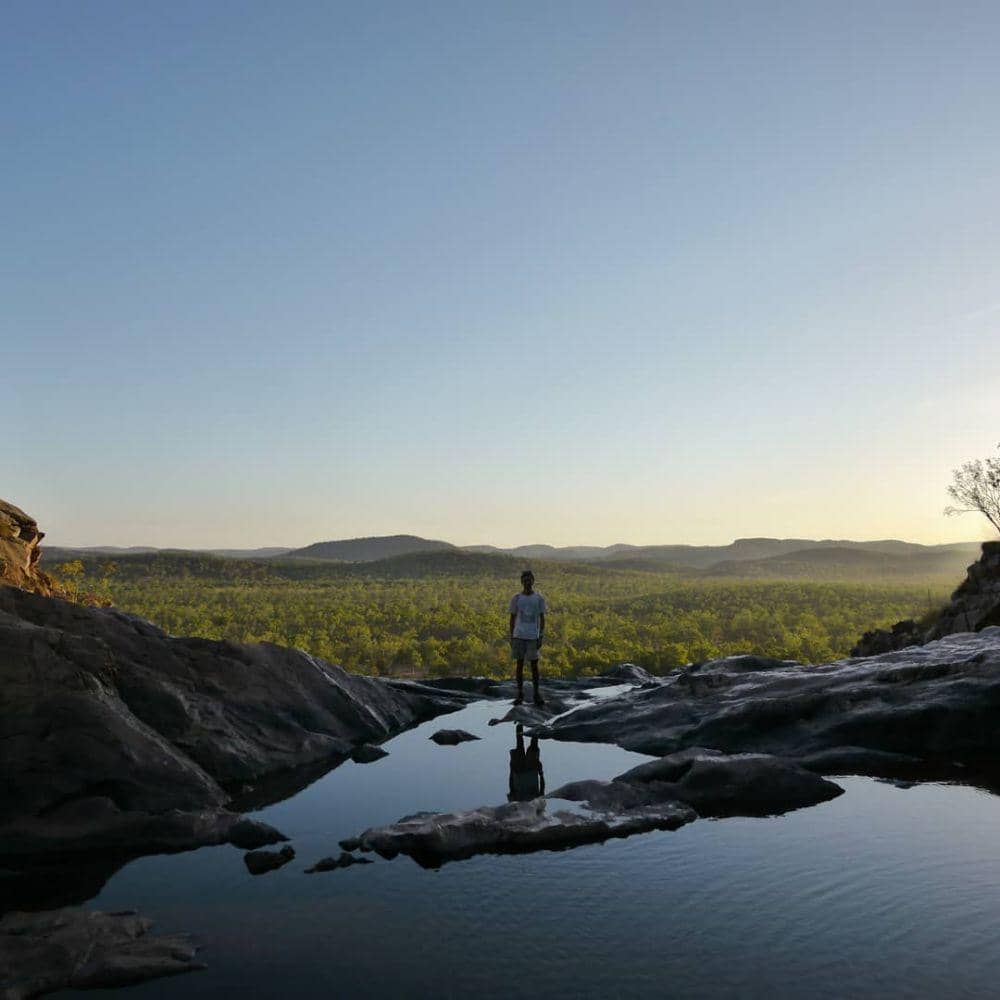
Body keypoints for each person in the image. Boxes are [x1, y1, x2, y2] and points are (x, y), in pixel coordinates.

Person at [508, 569, 546, 706]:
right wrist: (511, 636)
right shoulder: (516, 598)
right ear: (521, 582)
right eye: (524, 580)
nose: (527, 582)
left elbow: (542, 618)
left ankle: (536, 694)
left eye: (529, 580)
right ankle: (520, 694)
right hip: (518, 636)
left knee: (534, 666)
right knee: (519, 665)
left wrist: (540, 636)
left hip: (532, 636)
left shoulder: (539, 598)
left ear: (533, 581)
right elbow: (512, 618)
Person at [508, 723, 545, 802]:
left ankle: (521, 721)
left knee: (521, 745)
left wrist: (511, 770)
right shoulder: (537, 808)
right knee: (531, 746)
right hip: (527, 772)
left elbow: (511, 788)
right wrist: (541, 773)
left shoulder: (516, 807)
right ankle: (533, 724)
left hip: (520, 772)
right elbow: (542, 791)